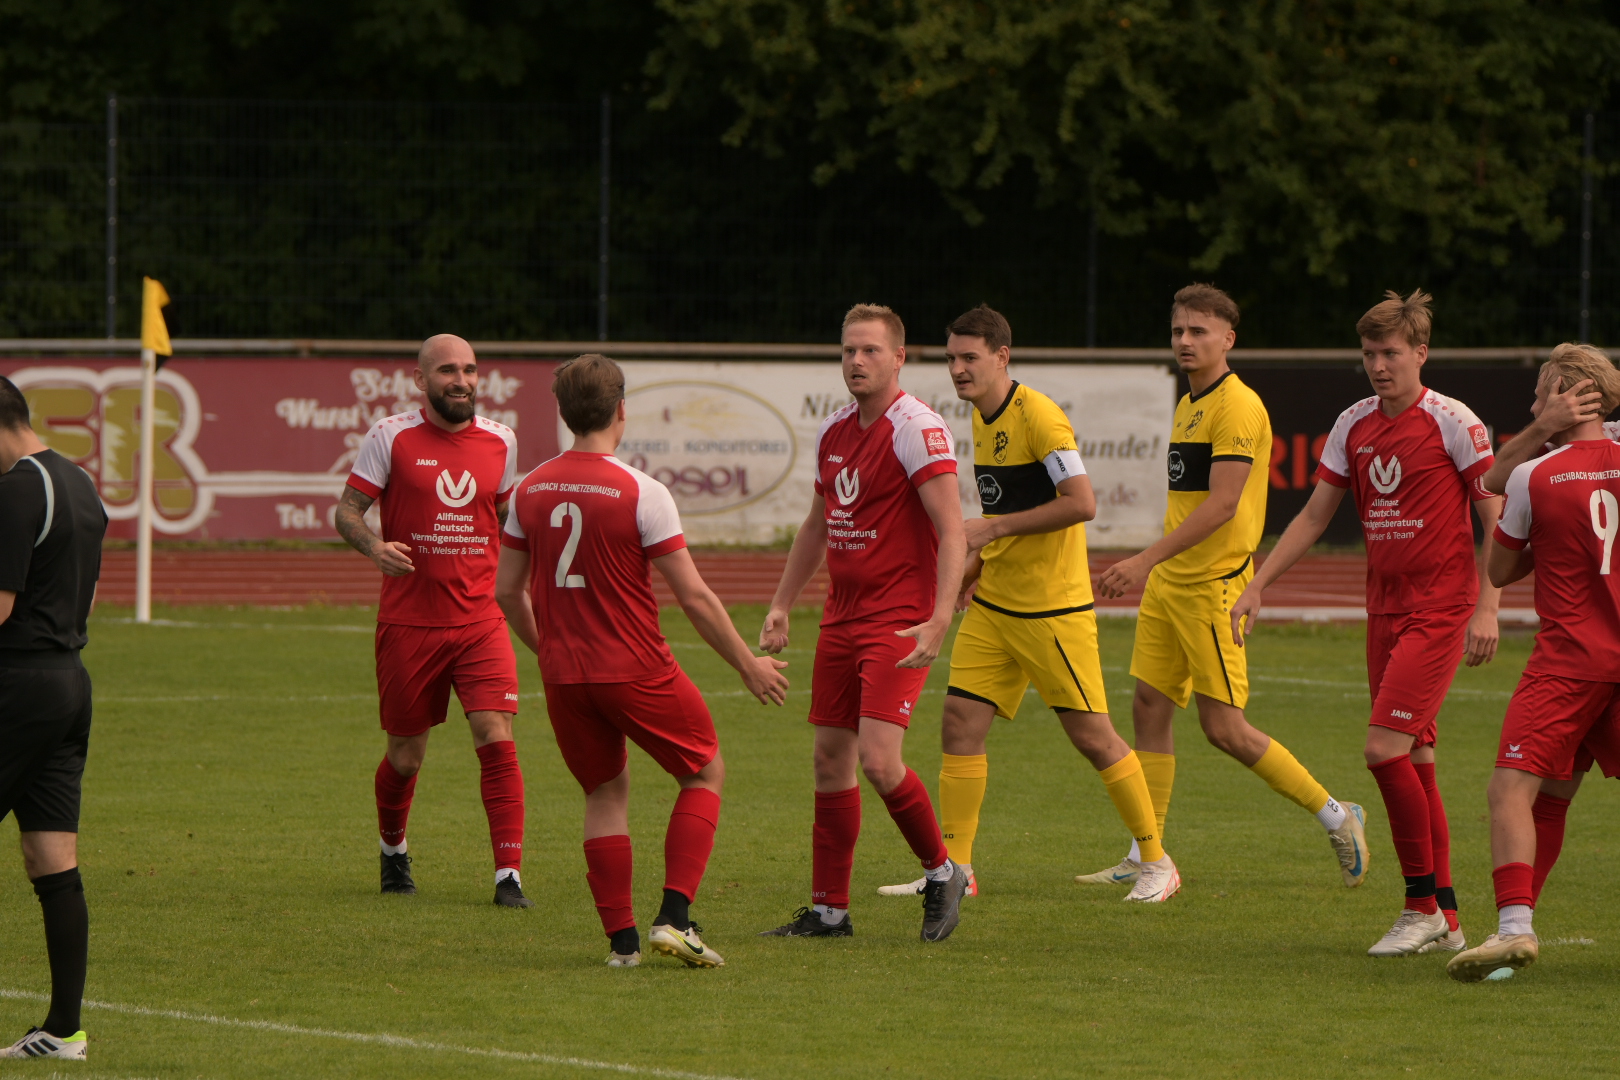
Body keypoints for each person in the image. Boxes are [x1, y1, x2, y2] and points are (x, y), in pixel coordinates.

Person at [1231, 289, 1502, 956]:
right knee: (1418, 761)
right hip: (1382, 609)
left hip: (1440, 608)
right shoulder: (1352, 422)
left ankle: (1419, 906)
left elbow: (1495, 519)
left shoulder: (1453, 421)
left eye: (1390, 353)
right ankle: (1449, 919)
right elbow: (1314, 516)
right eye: (1369, 354)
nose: (1379, 365)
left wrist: (1489, 606)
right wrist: (1259, 582)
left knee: (1382, 751)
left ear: (1420, 353)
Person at [496, 354, 787, 968]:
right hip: (635, 668)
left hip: (565, 676)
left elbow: (505, 592)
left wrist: (549, 647)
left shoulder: (529, 489)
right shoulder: (640, 491)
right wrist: (748, 664)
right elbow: (695, 598)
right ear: (621, 411)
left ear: (563, 413)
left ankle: (621, 946)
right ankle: (675, 918)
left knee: (604, 791)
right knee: (703, 772)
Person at [879, 305, 1171, 903]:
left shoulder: (1039, 415)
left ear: (1001, 356)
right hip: (995, 606)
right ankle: (956, 871)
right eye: (951, 358)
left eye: (970, 358)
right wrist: (977, 568)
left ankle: (1156, 860)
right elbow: (1009, 509)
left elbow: (1082, 503)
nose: (958, 369)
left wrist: (990, 531)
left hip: (1051, 611)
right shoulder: (980, 416)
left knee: (1094, 737)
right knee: (959, 723)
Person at [1085, 284, 1365, 897]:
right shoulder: (1190, 402)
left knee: (1225, 729)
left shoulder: (1237, 406)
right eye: (1178, 331)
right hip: (1171, 584)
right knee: (1149, 707)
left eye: (1199, 331)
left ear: (1228, 339)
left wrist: (1142, 561)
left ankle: (1336, 814)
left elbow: (1223, 505)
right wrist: (1156, 569)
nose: (1185, 341)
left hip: (1210, 587)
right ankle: (1146, 852)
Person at [758, 303, 971, 942]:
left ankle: (943, 872)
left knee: (879, 761)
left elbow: (952, 531)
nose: (856, 360)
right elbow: (817, 524)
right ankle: (829, 912)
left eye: (871, 350)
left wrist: (939, 617)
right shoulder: (833, 430)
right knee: (830, 761)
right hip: (841, 617)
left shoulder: (916, 428)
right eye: (849, 349)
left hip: (897, 620)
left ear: (898, 358)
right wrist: (781, 602)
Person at [335, 334, 531, 906]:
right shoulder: (389, 436)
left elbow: (506, 517)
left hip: (481, 619)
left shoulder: (501, 440)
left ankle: (509, 876)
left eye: (470, 370)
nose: (461, 381)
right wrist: (375, 547)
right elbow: (347, 511)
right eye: (447, 370)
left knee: (496, 734)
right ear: (421, 380)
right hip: (409, 624)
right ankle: (393, 851)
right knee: (406, 756)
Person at [1446, 344, 1620, 981]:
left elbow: (1498, 568)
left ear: (1566, 396)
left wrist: (1543, 535)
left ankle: (1515, 928)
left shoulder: (1533, 476)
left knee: (1510, 790)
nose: (1531, 404)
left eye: (1541, 393)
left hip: (1569, 662)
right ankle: (1512, 934)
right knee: (1554, 794)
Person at [0, 376, 107, 1060]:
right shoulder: (81, 482)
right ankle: (64, 1031)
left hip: (16, 684)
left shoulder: (16, 489)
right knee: (50, 857)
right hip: (68, 682)